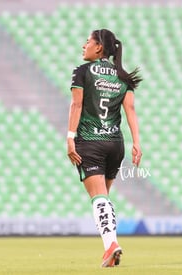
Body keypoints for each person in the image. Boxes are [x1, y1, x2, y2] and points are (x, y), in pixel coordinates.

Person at [67, 29, 142, 267]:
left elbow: (76, 105)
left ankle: (112, 245)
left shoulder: (83, 71)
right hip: (115, 145)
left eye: (88, 41)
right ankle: (109, 248)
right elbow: (130, 110)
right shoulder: (123, 77)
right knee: (104, 198)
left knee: (98, 198)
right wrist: (137, 143)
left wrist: (70, 137)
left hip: (90, 142)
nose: (84, 45)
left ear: (99, 47)